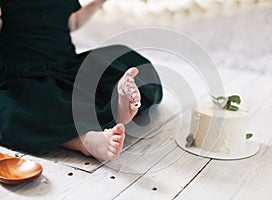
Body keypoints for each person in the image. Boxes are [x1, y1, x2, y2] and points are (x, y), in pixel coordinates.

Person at [0, 0, 162, 160]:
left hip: (65, 65)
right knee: (26, 109)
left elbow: (73, 21)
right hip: (20, 77)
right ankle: (84, 140)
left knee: (125, 60)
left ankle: (117, 107)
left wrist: (98, 3)